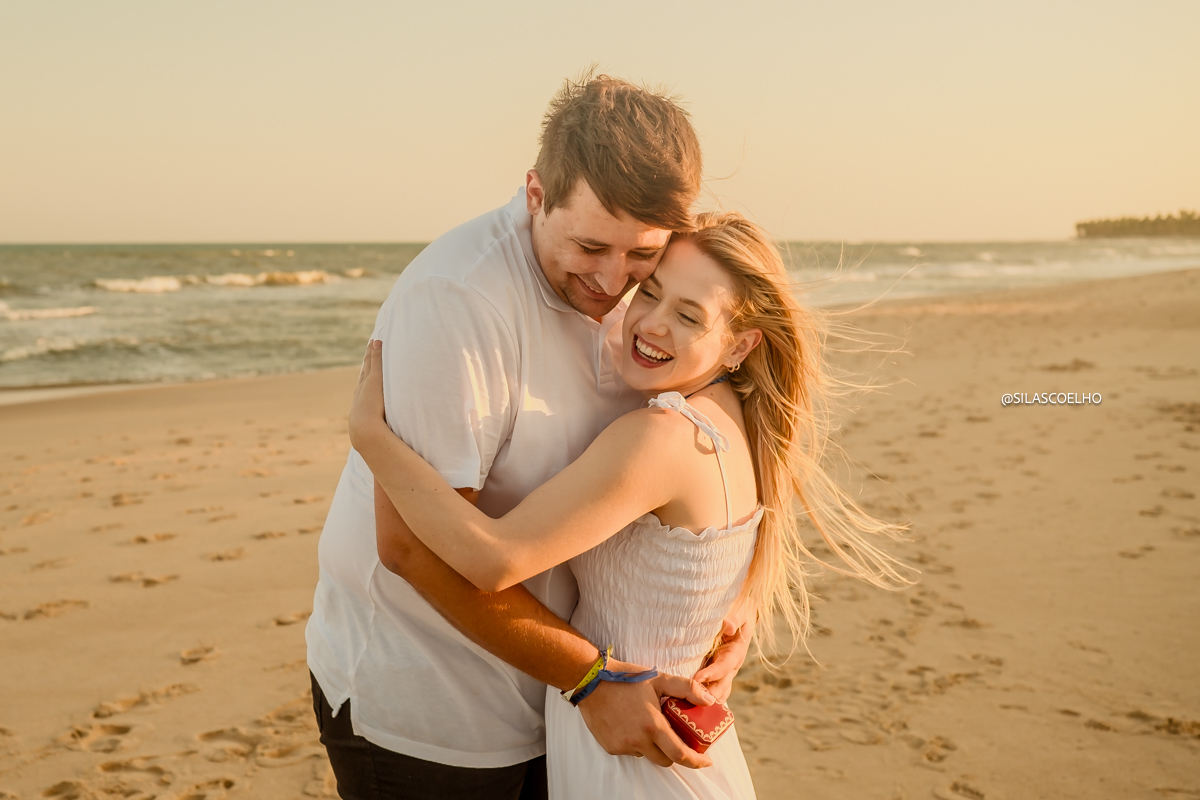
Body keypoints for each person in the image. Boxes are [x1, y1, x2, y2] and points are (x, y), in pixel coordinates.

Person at [348, 211, 910, 799]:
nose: (652, 323)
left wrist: (372, 438)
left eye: (688, 316)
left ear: (741, 344)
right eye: (650, 293)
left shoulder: (661, 437)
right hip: (652, 733)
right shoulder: (735, 421)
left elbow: (493, 560)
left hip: (630, 747)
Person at [306, 73, 747, 800]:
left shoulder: (663, 289)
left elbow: (729, 447)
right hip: (432, 707)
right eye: (590, 246)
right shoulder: (459, 302)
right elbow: (410, 547)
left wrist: (733, 607)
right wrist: (589, 679)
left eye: (639, 255)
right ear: (536, 194)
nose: (613, 281)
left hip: (566, 700)